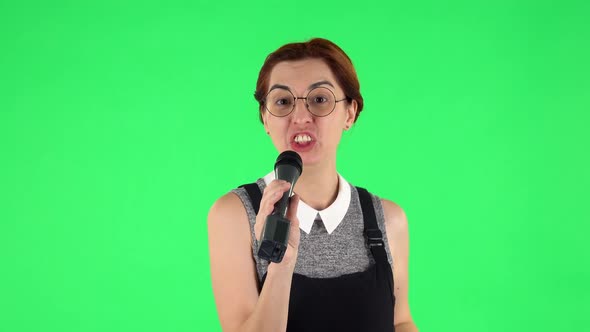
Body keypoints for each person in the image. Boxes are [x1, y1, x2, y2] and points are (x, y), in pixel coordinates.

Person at [208, 38, 418, 332]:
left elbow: (400, 321)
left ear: (350, 112)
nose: (301, 117)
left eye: (320, 99)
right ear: (265, 118)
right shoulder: (235, 215)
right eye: (283, 102)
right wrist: (282, 261)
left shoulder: (388, 219)